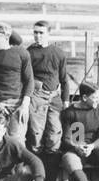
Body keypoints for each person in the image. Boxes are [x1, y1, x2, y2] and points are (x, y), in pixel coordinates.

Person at [26, 20, 69, 161]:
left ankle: (51, 177)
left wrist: (66, 101)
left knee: (54, 134)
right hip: (37, 96)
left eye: (41, 33)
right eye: (35, 32)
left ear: (48, 34)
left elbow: (64, 79)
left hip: (54, 98)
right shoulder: (29, 53)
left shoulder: (58, 53)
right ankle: (36, 173)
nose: (38, 36)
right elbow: (26, 78)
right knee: (36, 133)